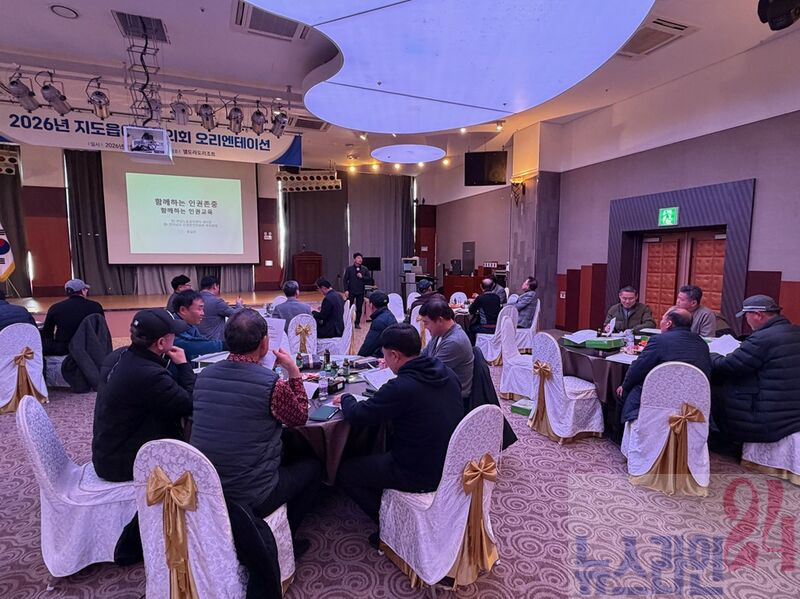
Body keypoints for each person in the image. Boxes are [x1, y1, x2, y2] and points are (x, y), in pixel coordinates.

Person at [191, 309, 320, 543]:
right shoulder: (272, 384)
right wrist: (293, 371)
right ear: (264, 343)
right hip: (252, 493)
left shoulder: (204, 376)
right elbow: (300, 418)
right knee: (314, 467)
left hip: (206, 486)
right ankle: (285, 541)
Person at [333, 324, 462, 543]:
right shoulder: (447, 372)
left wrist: (346, 398)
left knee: (345, 472)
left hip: (418, 471)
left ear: (394, 355)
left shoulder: (401, 387)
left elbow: (358, 416)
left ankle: (390, 527)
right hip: (450, 461)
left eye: (385, 355)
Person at [92, 308, 194, 482]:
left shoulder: (121, 356)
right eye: (173, 335)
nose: (176, 337)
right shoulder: (150, 375)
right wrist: (184, 366)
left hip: (108, 453)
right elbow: (189, 404)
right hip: (121, 464)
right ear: (161, 343)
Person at [709, 295, 800, 445]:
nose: (746, 320)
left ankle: (722, 442)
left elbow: (730, 365)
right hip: (792, 410)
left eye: (746, 316)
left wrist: (711, 354)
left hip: (767, 416)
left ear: (758, 315)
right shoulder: (795, 331)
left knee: (714, 390)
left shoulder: (762, 339)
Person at [616, 308, 711, 423]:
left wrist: (625, 386)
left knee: (623, 391)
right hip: (693, 400)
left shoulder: (659, 340)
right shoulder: (702, 343)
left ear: (668, 323)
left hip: (661, 397)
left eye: (662, 319)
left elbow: (638, 369)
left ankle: (623, 432)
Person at [419, 297, 474, 399]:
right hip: (439, 386)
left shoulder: (454, 342)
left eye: (426, 323)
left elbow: (431, 373)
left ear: (440, 320)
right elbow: (423, 355)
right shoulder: (439, 333)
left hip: (452, 397)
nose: (425, 327)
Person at [41, 279, 104, 355]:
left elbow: (47, 334)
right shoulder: (96, 306)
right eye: (85, 289)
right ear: (83, 291)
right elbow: (102, 330)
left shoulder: (55, 308)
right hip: (88, 349)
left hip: (64, 350)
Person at [172, 290, 225, 362]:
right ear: (183, 310)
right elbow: (191, 345)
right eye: (199, 309)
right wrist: (224, 345)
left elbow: (203, 340)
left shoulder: (190, 325)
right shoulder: (171, 327)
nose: (203, 313)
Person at [197, 275, 243, 342]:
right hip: (215, 342)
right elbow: (236, 315)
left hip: (197, 340)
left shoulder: (194, 298)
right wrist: (239, 304)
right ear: (215, 286)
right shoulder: (217, 302)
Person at [358, 291, 397, 357]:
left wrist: (358, 358)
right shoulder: (390, 315)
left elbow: (368, 347)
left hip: (382, 357)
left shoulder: (379, 321)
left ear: (371, 305)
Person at [468, 278, 502, 345]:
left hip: (485, 327)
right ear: (493, 286)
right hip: (497, 327)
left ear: (481, 286)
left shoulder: (480, 298)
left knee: (470, 328)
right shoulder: (497, 298)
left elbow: (471, 310)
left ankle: (473, 348)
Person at [342, 252, 371, 329]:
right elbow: (345, 280)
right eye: (358, 258)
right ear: (354, 259)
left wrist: (362, 277)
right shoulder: (349, 269)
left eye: (361, 258)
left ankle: (357, 323)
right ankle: (347, 322)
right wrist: (346, 290)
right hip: (351, 291)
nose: (360, 260)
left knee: (359, 308)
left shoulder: (365, 269)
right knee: (348, 307)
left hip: (360, 291)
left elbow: (369, 280)